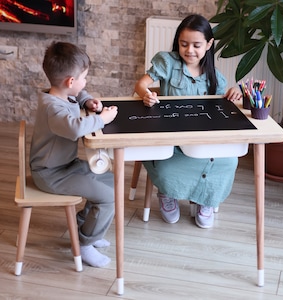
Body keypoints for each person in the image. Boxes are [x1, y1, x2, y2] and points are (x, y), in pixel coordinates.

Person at [134, 14, 243, 229]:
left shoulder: (215, 77)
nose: (189, 50)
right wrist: (145, 94)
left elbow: (220, 107)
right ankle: (166, 193)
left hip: (201, 140)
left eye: (196, 45)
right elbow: (140, 85)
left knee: (228, 161)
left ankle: (206, 200)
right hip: (171, 139)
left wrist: (232, 94)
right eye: (184, 44)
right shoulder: (167, 61)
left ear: (209, 44)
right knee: (167, 167)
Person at [30, 41, 118, 268]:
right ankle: (84, 243)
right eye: (84, 78)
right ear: (71, 81)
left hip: (64, 165)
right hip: (51, 174)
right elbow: (75, 128)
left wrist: (87, 100)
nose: (85, 82)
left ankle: (84, 225)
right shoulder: (53, 109)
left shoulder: (58, 95)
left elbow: (75, 97)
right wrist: (102, 119)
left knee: (109, 178)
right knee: (109, 197)